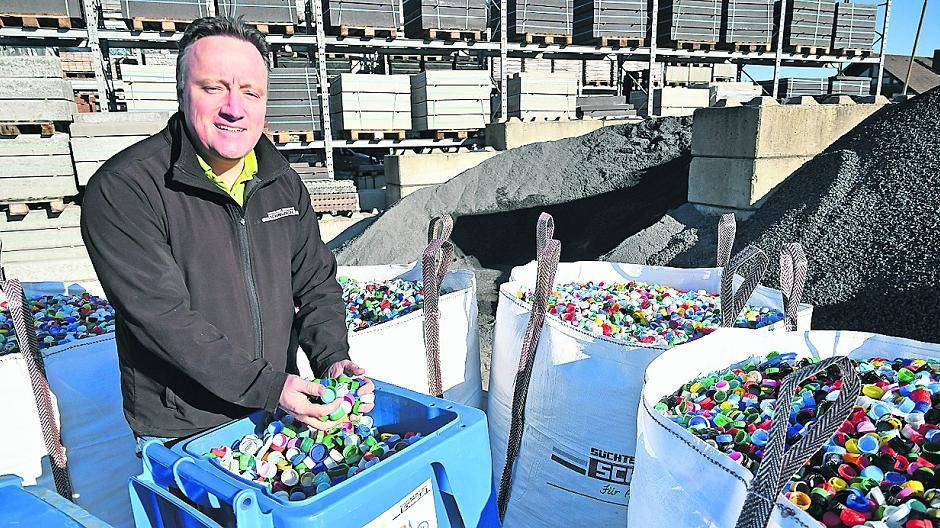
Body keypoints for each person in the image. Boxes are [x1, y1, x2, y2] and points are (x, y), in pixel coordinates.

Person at [80, 16, 372, 448]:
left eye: (251, 92)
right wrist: (269, 385)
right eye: (214, 88)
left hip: (277, 406)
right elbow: (162, 319)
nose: (235, 108)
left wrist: (332, 358)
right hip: (188, 426)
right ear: (181, 92)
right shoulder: (127, 188)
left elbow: (315, 283)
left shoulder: (280, 182)